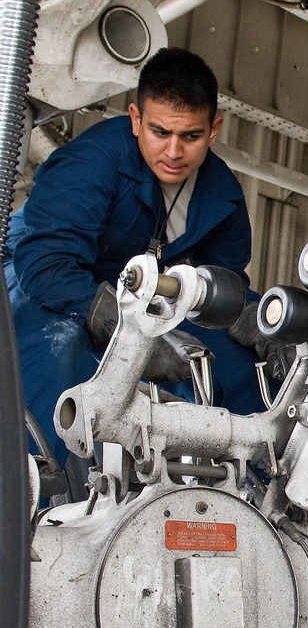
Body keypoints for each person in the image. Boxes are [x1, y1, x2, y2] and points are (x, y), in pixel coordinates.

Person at [4, 46, 265, 468]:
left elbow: (219, 288)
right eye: (161, 132)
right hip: (42, 280)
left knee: (235, 363)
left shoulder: (223, 195)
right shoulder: (92, 162)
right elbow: (45, 264)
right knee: (58, 348)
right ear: (135, 118)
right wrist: (129, 331)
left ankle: (256, 493)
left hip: (145, 298)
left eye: (191, 136)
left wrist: (261, 322)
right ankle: (39, 491)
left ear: (214, 129)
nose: (175, 151)